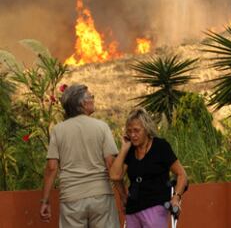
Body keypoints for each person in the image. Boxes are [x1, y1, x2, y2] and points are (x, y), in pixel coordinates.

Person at [39, 84, 120, 227]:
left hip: (71, 198)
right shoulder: (101, 127)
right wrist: (123, 195)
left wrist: (45, 201)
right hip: (101, 195)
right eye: (91, 97)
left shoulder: (58, 131)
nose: (93, 100)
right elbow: (111, 165)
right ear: (83, 103)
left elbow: (52, 168)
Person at [110, 108, 187, 228]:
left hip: (156, 206)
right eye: (129, 131)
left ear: (146, 129)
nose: (133, 135)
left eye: (136, 131)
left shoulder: (160, 146)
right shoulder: (130, 150)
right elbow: (115, 176)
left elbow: (182, 174)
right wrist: (124, 148)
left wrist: (176, 197)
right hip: (133, 209)